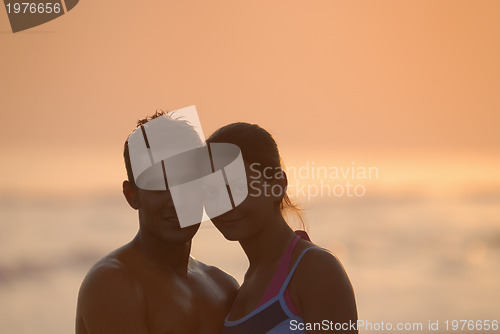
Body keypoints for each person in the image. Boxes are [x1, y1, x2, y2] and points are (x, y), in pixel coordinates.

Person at [75, 111, 239, 334]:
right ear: (132, 195)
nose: (176, 200)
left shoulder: (223, 287)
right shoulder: (113, 283)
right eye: (159, 184)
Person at [206, 123, 358, 334]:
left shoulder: (316, 270)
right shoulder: (238, 289)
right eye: (211, 192)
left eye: (239, 188)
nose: (225, 204)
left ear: (277, 185)